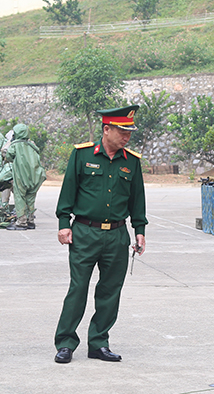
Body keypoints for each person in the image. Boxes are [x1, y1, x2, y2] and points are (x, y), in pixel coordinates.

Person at [53, 105, 147, 364]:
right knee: (78, 288)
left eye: (129, 132)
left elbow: (137, 200)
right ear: (106, 129)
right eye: (122, 131)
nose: (127, 137)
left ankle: (99, 342)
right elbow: (68, 191)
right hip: (84, 233)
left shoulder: (132, 162)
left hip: (117, 236)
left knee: (110, 291)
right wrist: (64, 223)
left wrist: (139, 231)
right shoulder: (82, 156)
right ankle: (65, 343)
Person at [5, 123, 45, 230]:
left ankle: (21, 222)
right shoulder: (33, 145)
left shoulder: (15, 145)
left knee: (20, 197)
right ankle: (30, 220)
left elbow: (8, 156)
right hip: (36, 176)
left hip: (21, 176)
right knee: (30, 199)